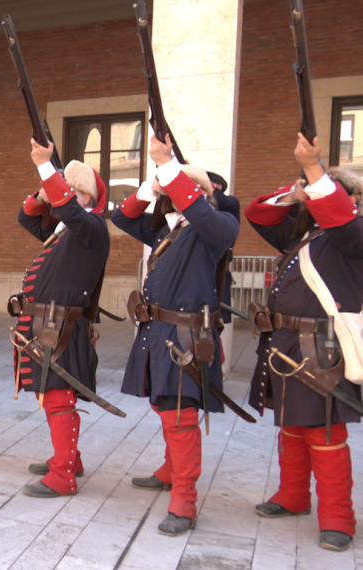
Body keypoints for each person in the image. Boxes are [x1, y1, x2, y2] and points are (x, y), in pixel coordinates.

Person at [111, 134, 239, 537]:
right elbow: (122, 219)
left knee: (181, 417)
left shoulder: (216, 227)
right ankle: (170, 470)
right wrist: (151, 184)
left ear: (202, 195)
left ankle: (184, 501)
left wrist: (169, 164)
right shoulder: (168, 233)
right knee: (164, 406)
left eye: (185, 190)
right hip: (156, 331)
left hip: (186, 337)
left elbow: (201, 212)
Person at [245, 133, 363, 552]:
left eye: (324, 191)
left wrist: (316, 173)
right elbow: (257, 214)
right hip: (286, 341)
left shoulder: (353, 235)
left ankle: (338, 519)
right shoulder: (306, 236)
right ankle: (293, 497)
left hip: (322, 345)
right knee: (292, 427)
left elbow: (345, 223)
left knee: (325, 432)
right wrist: (294, 191)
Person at [12, 140, 110, 495]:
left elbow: (68, 210)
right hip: (47, 324)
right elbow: (26, 215)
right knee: (51, 391)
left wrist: (46, 168)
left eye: (72, 191)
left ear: (85, 197)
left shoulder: (91, 229)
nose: (64, 196)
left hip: (63, 325)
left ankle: (64, 473)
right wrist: (43, 190)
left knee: (58, 395)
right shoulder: (65, 231)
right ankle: (70, 457)